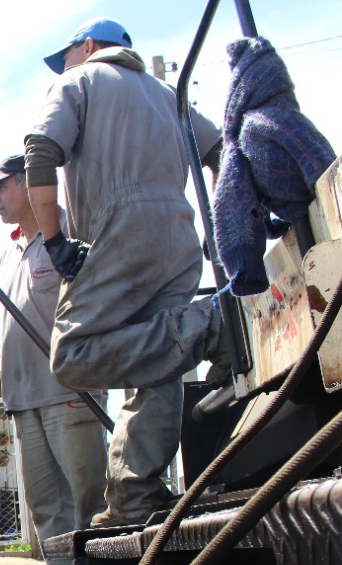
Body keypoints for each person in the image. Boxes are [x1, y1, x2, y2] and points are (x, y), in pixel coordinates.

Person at [25, 17, 225, 528]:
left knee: (72, 358)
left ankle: (208, 325)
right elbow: (223, 152)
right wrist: (222, 226)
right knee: (159, 367)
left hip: (115, 229)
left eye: (67, 53)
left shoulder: (79, 81)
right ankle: (135, 495)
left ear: (87, 47)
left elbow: (42, 151)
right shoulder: (167, 94)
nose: (65, 64)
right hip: (177, 237)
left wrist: (53, 240)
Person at [0, 154, 125, 565]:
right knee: (46, 503)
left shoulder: (69, 237)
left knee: (87, 496)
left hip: (70, 388)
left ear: (27, 183)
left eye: (1, 187)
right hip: (23, 396)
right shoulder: (10, 250)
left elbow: (100, 304)